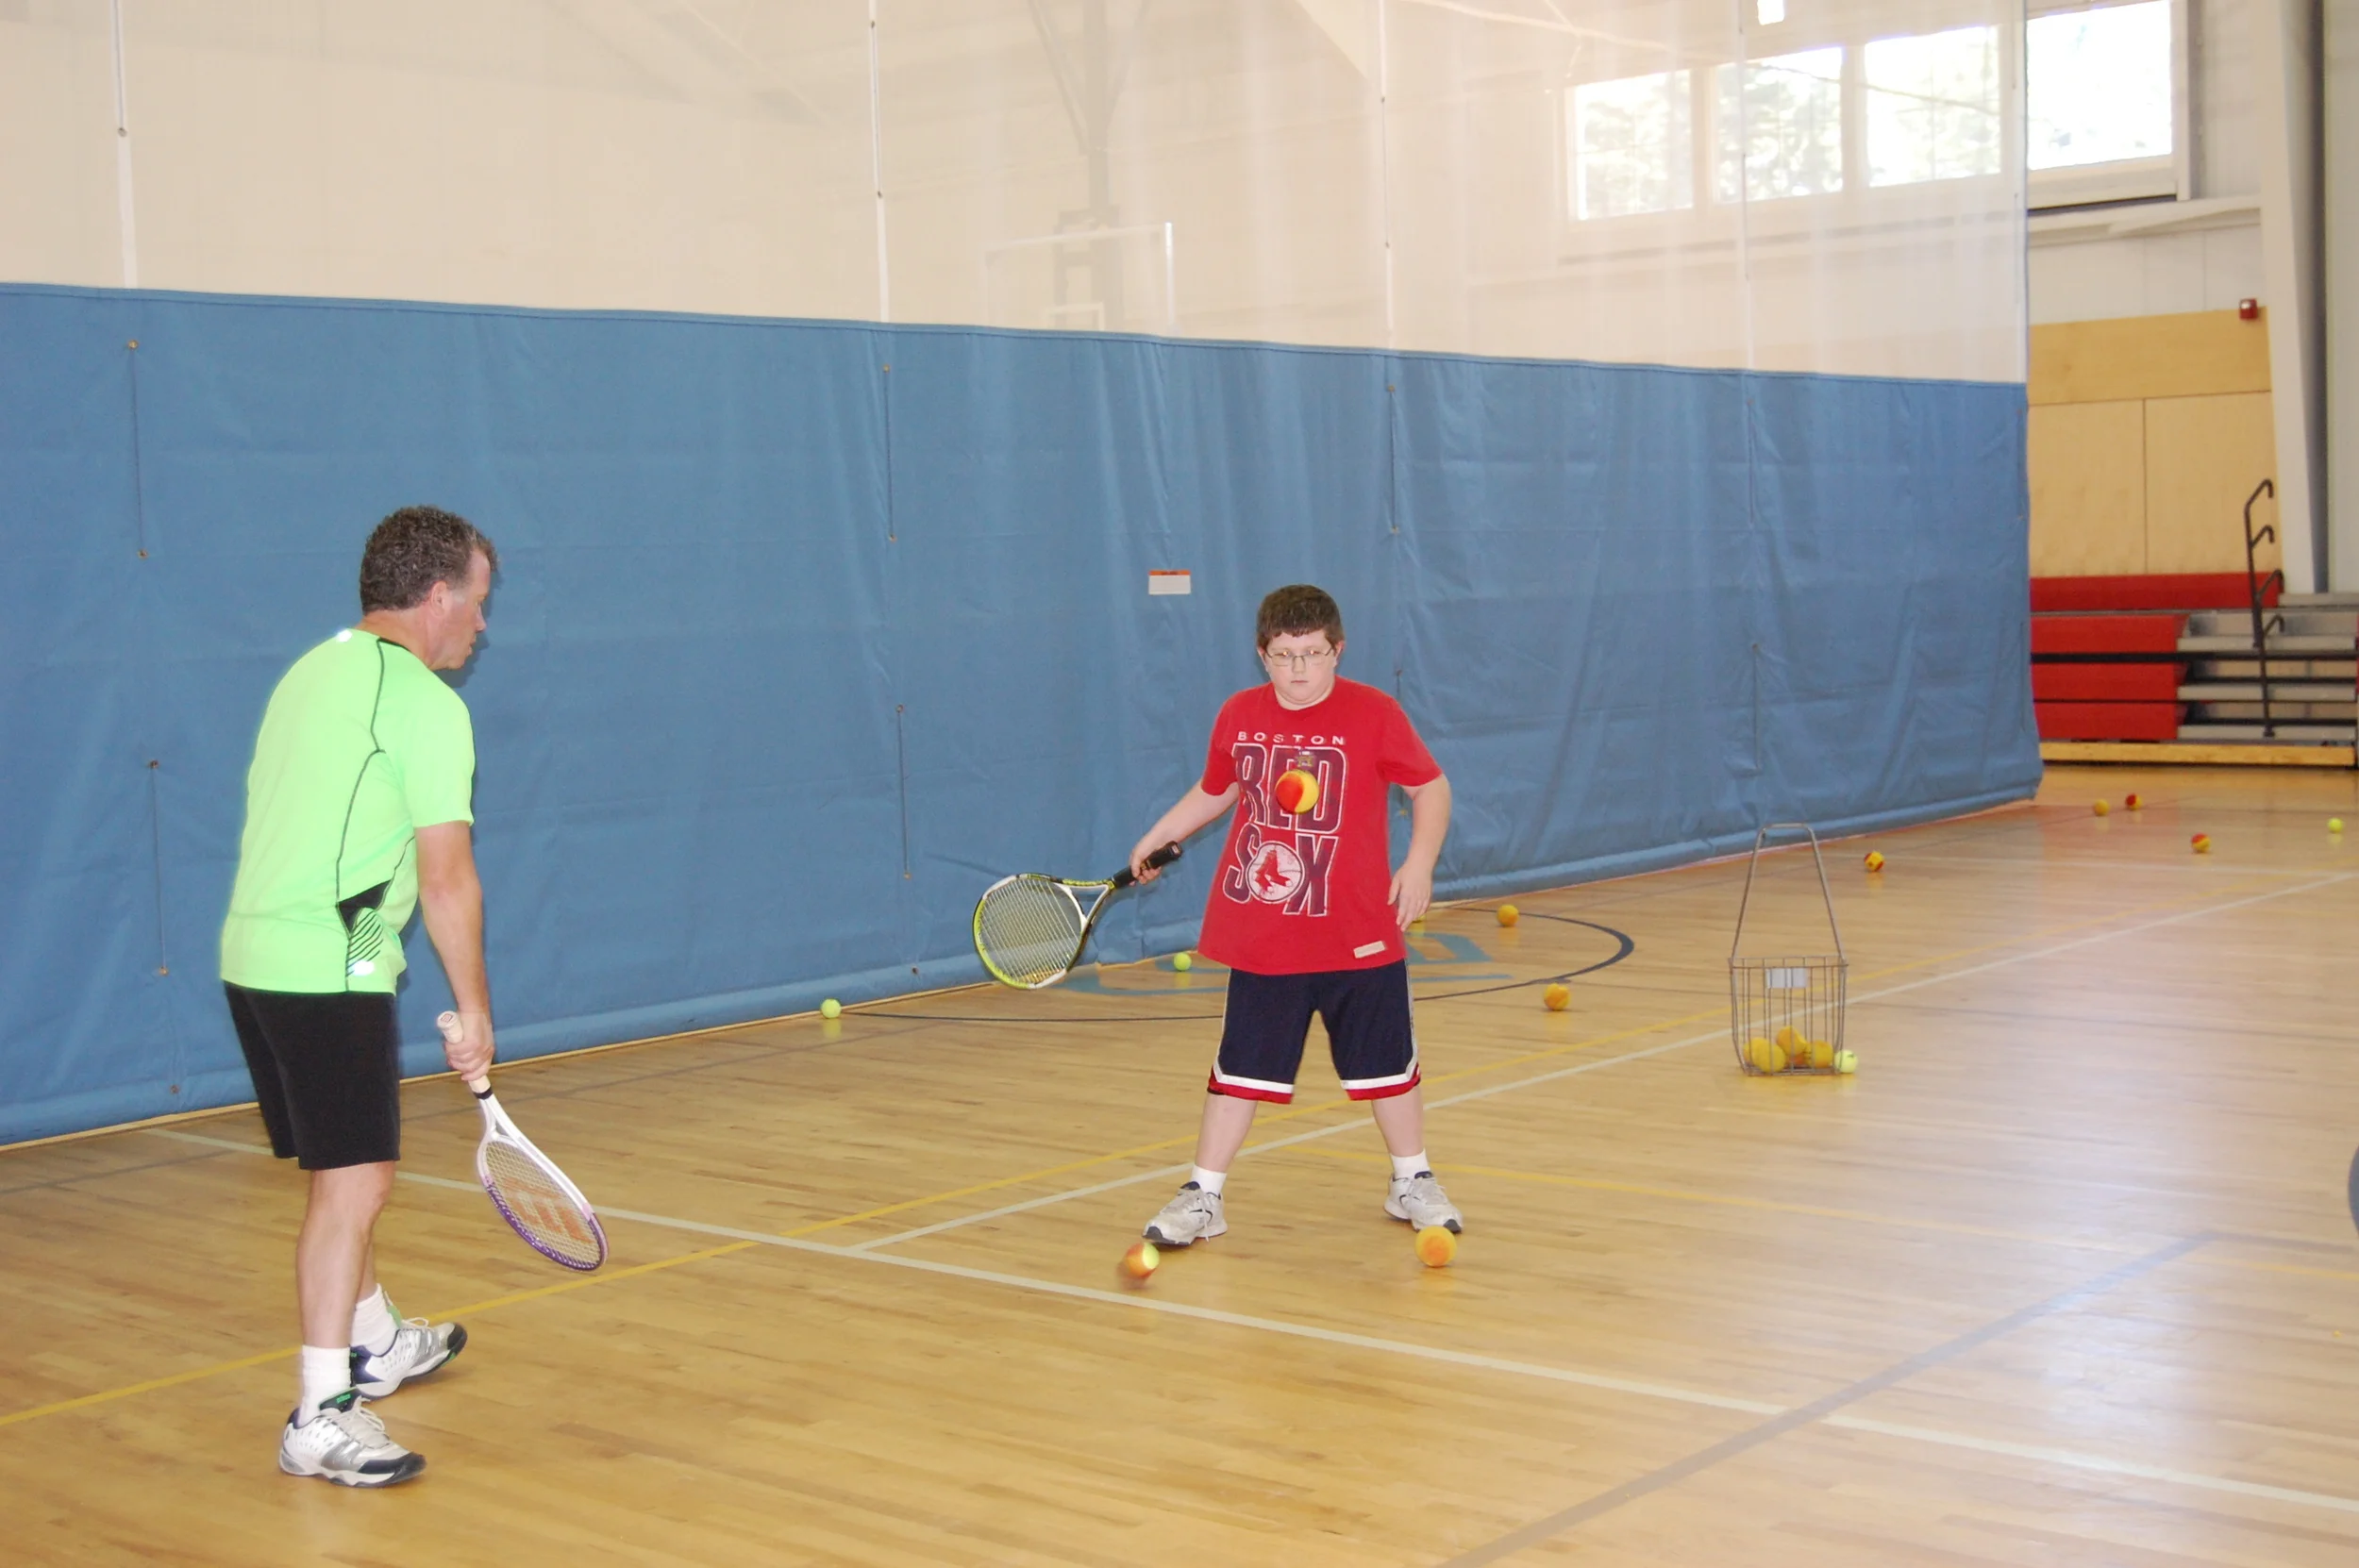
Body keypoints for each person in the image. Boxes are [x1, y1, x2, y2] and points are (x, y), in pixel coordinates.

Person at [219, 506, 499, 1486]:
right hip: (319, 966)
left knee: (343, 1166)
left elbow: (328, 847)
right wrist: (475, 1012)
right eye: (475, 601)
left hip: (257, 953)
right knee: (356, 1183)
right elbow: (445, 875)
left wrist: (375, 961)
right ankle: (321, 1413)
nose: (479, 624)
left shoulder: (314, 669)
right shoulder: (424, 704)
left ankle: (375, 1339)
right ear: (434, 597)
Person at [1129, 583, 1460, 1247]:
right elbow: (1216, 789)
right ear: (1262, 654)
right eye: (1284, 656)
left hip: (1359, 930)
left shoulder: (1374, 712)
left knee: (1387, 1067)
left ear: (1337, 650)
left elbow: (1430, 786)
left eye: (1312, 654)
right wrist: (1157, 836)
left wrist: (1418, 864)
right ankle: (1204, 1196)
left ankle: (1411, 1179)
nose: (1299, 670)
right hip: (1265, 933)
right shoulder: (1239, 715)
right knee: (1239, 1069)